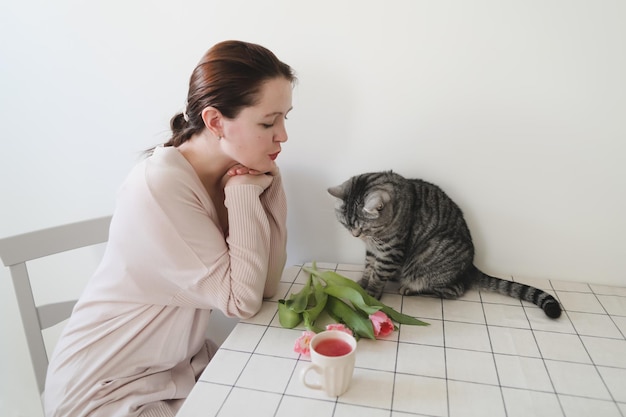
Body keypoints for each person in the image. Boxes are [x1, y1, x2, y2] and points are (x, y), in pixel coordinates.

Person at [44, 40, 296, 417]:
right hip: (106, 392)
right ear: (214, 121)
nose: (283, 136)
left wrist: (267, 181)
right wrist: (245, 192)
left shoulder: (236, 172)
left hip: (178, 372)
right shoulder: (160, 186)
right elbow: (241, 302)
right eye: (267, 122)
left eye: (284, 118)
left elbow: (267, 285)